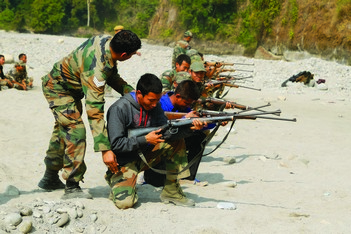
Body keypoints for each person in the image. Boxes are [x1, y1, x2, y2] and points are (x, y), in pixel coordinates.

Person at [38, 30, 141, 200]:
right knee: (75, 129)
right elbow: (94, 111)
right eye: (131, 55)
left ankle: (49, 177)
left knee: (63, 130)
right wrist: (105, 149)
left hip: (70, 88)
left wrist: (131, 94)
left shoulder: (107, 41)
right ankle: (72, 185)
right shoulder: (96, 72)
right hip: (57, 88)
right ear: (124, 55)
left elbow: (112, 74)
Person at [105, 73, 205, 209]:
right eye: (151, 100)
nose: (154, 105)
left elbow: (167, 133)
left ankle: (172, 192)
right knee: (125, 203)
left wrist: (190, 128)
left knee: (177, 141)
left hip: (145, 156)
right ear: (139, 93)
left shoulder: (155, 106)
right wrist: (145, 139)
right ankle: (115, 179)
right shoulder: (119, 109)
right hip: (124, 161)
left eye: (157, 101)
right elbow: (116, 145)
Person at [144, 79, 211, 186]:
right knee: (156, 181)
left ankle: (188, 177)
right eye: (186, 103)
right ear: (178, 96)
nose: (187, 106)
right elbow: (160, 129)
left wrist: (213, 121)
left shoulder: (183, 106)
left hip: (172, 140)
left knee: (199, 137)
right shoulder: (159, 104)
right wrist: (185, 118)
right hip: (155, 145)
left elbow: (199, 125)